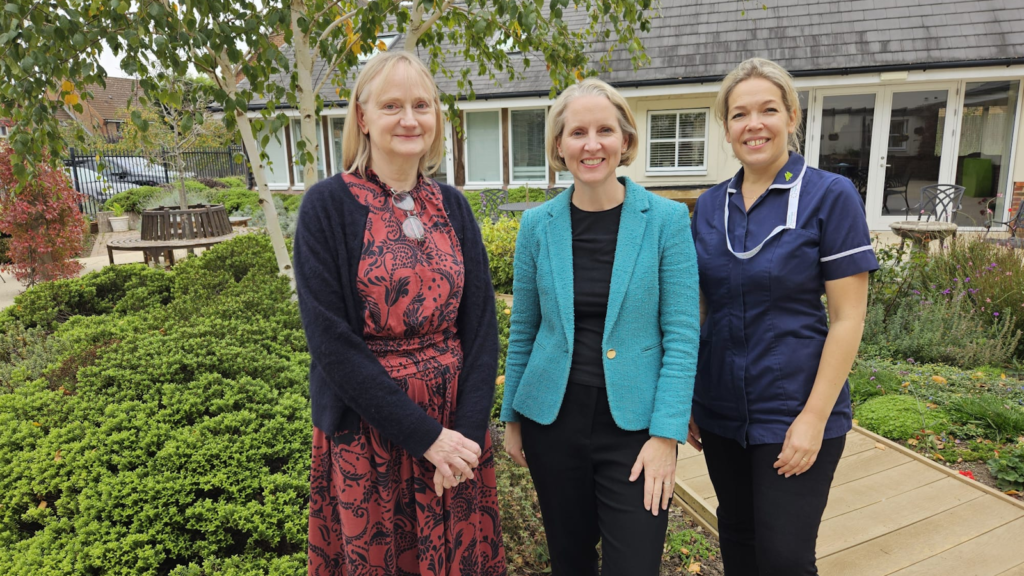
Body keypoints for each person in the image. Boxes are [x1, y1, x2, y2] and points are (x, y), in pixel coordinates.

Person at [293, 50, 506, 576]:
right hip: (371, 434)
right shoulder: (327, 207)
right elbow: (332, 344)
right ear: (362, 118)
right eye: (392, 105)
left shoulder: (453, 206)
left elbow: (480, 329)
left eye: (421, 105)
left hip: (455, 427)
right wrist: (425, 438)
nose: (409, 119)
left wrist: (466, 440)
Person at [500, 77, 700, 576]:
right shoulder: (536, 226)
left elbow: (681, 335)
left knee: (635, 565)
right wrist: (512, 419)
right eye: (577, 133)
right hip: (552, 421)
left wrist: (666, 435)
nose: (592, 145)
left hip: (634, 430)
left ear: (626, 141)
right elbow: (524, 327)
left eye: (605, 131)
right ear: (559, 146)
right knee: (570, 563)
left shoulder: (667, 221)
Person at [688, 57, 878, 575]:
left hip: (794, 408)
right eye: (739, 114)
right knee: (739, 544)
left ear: (791, 116)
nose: (754, 124)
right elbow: (699, 309)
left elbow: (847, 318)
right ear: (725, 128)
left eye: (768, 109)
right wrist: (687, 397)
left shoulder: (830, 195)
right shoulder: (709, 206)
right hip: (721, 412)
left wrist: (813, 420)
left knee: (784, 558)